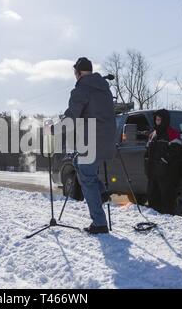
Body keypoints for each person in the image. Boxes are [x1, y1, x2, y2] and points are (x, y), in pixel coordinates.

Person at [64, 57, 117, 235]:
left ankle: (100, 223)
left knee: (86, 178)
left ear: (78, 73)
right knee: (80, 166)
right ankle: (101, 193)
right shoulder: (104, 89)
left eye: (74, 73)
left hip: (90, 140)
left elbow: (72, 116)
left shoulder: (81, 90)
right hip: (108, 139)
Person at [145, 109, 182, 215]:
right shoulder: (152, 134)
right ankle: (155, 219)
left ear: (165, 120)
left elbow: (175, 150)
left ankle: (168, 220)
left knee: (167, 198)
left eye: (159, 119)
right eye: (156, 119)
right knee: (152, 196)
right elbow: (147, 152)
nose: (157, 121)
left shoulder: (173, 133)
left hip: (166, 173)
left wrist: (164, 161)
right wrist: (147, 163)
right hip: (153, 173)